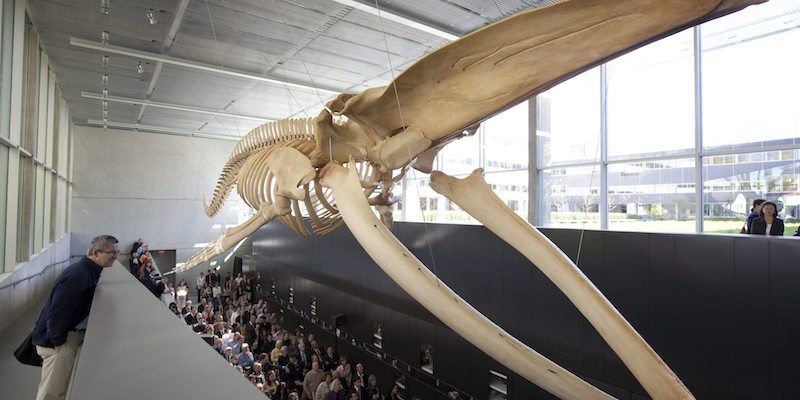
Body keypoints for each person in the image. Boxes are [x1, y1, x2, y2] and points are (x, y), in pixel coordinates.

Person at [32, 235, 119, 400]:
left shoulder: (87, 270)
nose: (115, 256)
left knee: (59, 390)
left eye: (117, 252)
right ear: (95, 252)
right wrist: (58, 342)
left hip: (60, 340)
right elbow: (57, 311)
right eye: (111, 253)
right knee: (52, 393)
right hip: (55, 345)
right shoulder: (79, 275)